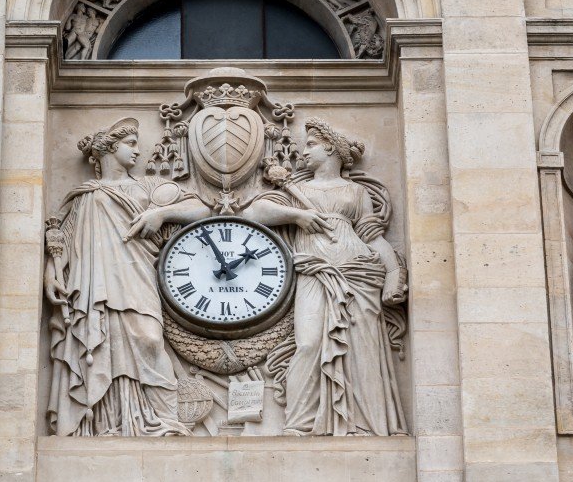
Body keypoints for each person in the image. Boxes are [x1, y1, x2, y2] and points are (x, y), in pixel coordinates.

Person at [45, 117, 209, 436]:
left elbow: (200, 207)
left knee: (148, 338)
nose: (137, 151)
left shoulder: (147, 187)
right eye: (130, 144)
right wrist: (52, 274)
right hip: (93, 283)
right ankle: (113, 421)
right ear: (110, 148)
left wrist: (161, 212)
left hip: (138, 273)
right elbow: (62, 239)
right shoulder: (85, 196)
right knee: (100, 342)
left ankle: (165, 417)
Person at [244, 118, 407, 436]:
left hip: (356, 270)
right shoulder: (298, 191)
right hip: (314, 270)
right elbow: (255, 213)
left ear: (330, 148)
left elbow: (372, 238)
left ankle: (366, 424)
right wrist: (298, 215)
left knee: (362, 346)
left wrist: (393, 272)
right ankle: (302, 421)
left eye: (311, 145)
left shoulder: (357, 192)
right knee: (308, 343)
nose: (303, 152)